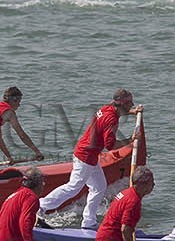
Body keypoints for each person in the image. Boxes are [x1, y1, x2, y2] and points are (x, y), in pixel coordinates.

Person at [37, 88, 137, 229]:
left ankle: (88, 222)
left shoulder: (107, 108)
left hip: (90, 155)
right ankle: (40, 206)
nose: (132, 105)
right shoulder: (111, 119)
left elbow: (116, 115)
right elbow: (111, 146)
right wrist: (131, 140)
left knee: (98, 188)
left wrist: (133, 112)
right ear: (121, 104)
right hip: (85, 156)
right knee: (73, 187)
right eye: (129, 103)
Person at [88, 167, 154, 241]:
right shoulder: (133, 201)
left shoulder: (127, 193)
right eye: (152, 183)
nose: (153, 185)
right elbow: (125, 230)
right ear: (142, 184)